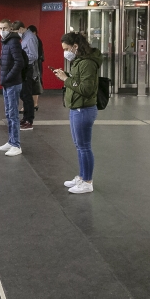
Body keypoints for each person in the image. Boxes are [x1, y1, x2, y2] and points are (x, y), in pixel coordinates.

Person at [51, 31, 100, 194]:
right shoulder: (80, 61)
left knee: (84, 146)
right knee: (79, 145)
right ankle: (82, 176)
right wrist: (68, 77)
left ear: (75, 46)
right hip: (77, 107)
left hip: (84, 109)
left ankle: (87, 181)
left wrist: (66, 79)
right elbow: (80, 81)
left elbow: (86, 89)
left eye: (66, 48)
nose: (65, 52)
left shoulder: (87, 63)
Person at [0, 19, 25, 156]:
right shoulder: (6, 42)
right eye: (0, 28)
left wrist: (8, 77)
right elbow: (8, 61)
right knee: (9, 114)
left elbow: (19, 62)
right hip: (8, 83)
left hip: (12, 83)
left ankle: (16, 144)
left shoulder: (13, 42)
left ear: (10, 29)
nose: (2, 31)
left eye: (4, 28)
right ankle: (11, 141)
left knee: (13, 114)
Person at [16, 22, 39, 131]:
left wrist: (22, 61)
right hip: (24, 69)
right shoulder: (26, 38)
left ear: (21, 29)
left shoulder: (30, 38)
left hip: (28, 69)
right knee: (24, 94)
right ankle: (25, 117)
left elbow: (33, 56)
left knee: (27, 95)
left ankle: (29, 120)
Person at [28, 25, 44, 113]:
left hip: (35, 65)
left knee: (34, 84)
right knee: (36, 83)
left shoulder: (34, 40)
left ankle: (34, 104)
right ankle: (35, 104)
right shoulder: (37, 40)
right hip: (38, 64)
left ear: (33, 32)